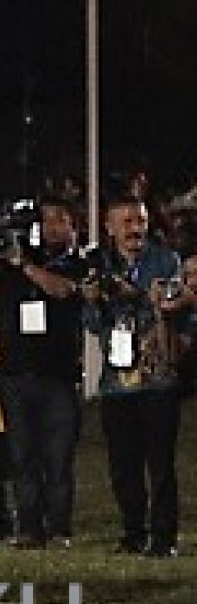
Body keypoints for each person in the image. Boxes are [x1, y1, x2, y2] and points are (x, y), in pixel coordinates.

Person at [82, 195, 188, 557]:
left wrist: (142, 295)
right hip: (116, 381)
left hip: (157, 377)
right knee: (123, 465)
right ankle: (132, 532)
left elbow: (175, 306)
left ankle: (162, 537)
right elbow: (94, 325)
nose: (134, 230)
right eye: (126, 223)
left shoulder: (165, 260)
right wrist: (95, 298)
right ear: (109, 228)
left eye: (139, 221)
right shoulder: (98, 265)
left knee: (160, 463)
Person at [0, 197, 85, 548]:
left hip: (57, 376)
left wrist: (23, 264)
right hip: (15, 375)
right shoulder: (12, 265)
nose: (52, 227)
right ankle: (27, 527)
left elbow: (63, 290)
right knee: (21, 456)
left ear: (72, 225)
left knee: (57, 457)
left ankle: (58, 530)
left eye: (60, 220)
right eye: (46, 221)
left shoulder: (75, 262)